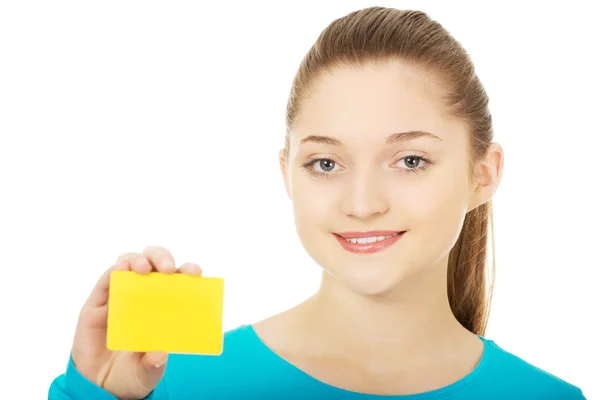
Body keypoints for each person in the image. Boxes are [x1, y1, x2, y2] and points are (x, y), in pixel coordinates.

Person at [48, 6, 586, 400]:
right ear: (287, 174)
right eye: (326, 164)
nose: (363, 203)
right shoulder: (169, 383)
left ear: (482, 175)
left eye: (411, 161)